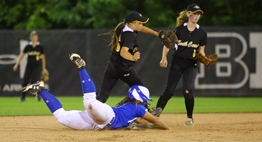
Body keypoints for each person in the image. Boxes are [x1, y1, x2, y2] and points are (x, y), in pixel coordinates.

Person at [22, 53, 171, 130]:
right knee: (90, 102)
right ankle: (82, 67)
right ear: (140, 98)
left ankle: (40, 89)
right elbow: (155, 120)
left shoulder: (133, 109)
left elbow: (136, 122)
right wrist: (168, 128)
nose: (145, 102)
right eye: (145, 99)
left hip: (97, 124)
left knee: (61, 117)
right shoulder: (138, 108)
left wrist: (144, 125)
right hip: (107, 116)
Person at [152, 3, 207, 126]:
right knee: (169, 91)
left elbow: (201, 51)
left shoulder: (202, 33)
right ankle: (155, 116)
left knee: (188, 90)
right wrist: (163, 57)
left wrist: (204, 58)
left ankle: (189, 118)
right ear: (188, 14)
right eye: (194, 13)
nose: (196, 16)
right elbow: (168, 44)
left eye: (198, 14)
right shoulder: (179, 30)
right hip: (177, 62)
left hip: (191, 65)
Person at [96, 11, 158, 104]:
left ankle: (90, 113)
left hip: (112, 66)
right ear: (132, 23)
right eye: (139, 23)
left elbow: (141, 29)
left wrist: (156, 34)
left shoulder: (123, 28)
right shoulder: (130, 35)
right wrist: (133, 57)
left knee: (103, 96)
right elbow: (123, 52)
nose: (141, 25)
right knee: (141, 91)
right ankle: (144, 112)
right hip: (124, 68)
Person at [13, 31, 48, 102]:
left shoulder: (40, 47)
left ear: (37, 37)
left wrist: (44, 68)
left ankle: (38, 95)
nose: (34, 37)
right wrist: (17, 64)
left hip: (37, 66)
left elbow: (43, 58)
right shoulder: (28, 47)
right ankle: (23, 98)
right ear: (30, 37)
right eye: (33, 36)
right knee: (25, 81)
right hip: (29, 66)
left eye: (35, 36)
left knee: (35, 81)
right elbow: (21, 55)